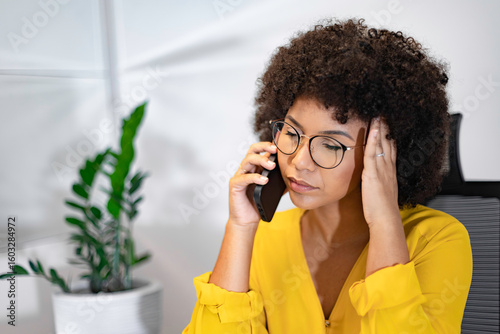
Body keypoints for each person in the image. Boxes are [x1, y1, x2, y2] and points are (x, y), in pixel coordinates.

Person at [182, 18, 472, 333]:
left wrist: (385, 224)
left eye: (330, 145)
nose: (298, 161)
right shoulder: (265, 238)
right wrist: (240, 227)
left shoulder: (436, 239)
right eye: (292, 132)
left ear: (386, 154)